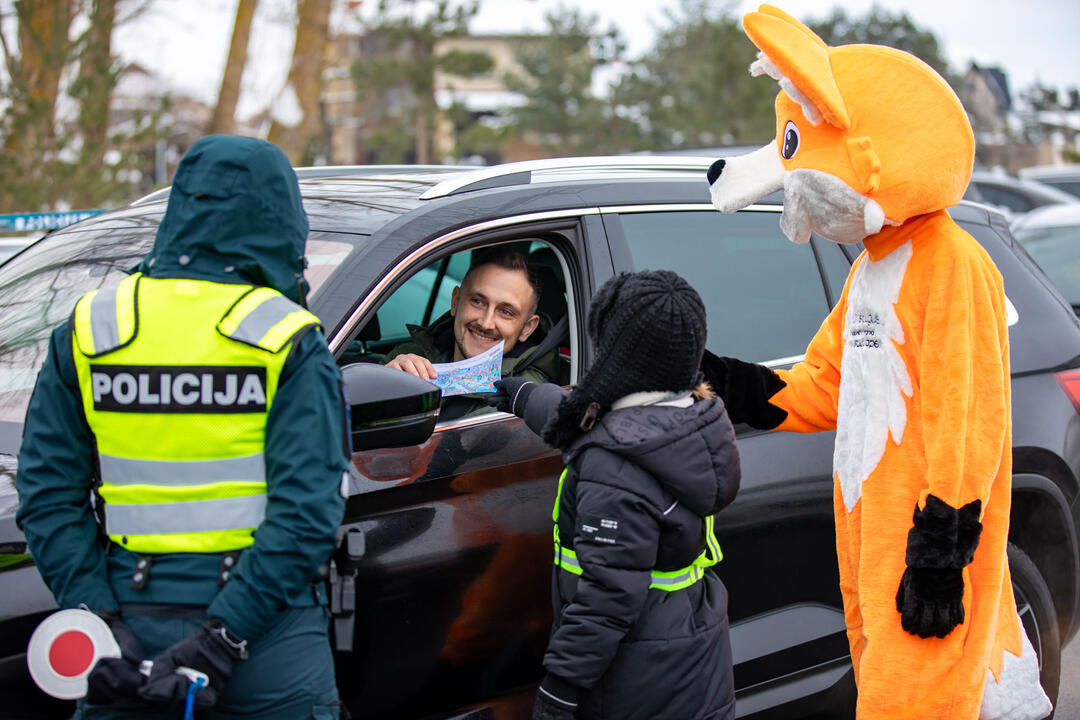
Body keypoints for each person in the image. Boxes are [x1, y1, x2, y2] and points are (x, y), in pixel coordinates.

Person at [702, 6, 1051, 719]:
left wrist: (939, 555)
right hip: (867, 530)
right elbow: (821, 386)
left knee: (916, 702)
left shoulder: (952, 263)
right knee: (885, 692)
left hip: (923, 543)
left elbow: (968, 418)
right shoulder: (872, 268)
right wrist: (719, 378)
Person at [15, 136, 350, 719]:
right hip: (266, 635)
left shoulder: (93, 328)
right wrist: (223, 640)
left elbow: (47, 496)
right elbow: (307, 512)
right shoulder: (285, 337)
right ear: (281, 218)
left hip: (126, 624)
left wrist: (95, 616)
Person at [488, 270, 740, 720]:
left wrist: (559, 694)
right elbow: (587, 416)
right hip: (691, 657)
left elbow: (607, 599)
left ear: (619, 358)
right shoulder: (686, 420)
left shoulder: (616, 468)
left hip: (635, 682)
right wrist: (523, 394)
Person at [383, 246, 562, 419]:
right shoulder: (409, 355)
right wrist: (383, 382)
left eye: (506, 312)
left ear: (527, 328)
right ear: (455, 301)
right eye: (477, 301)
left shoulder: (523, 399)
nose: (486, 323)